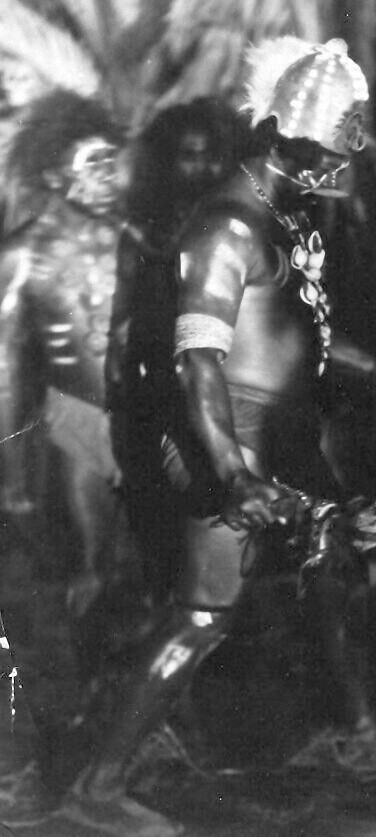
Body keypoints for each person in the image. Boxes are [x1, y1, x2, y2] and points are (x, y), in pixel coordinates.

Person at [55, 37, 376, 837]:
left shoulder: (285, 214)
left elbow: (304, 340)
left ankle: (358, 733)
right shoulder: (225, 224)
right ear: (281, 136)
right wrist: (231, 470)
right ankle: (97, 782)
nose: (339, 167)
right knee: (203, 614)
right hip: (232, 434)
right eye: (326, 152)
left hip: (283, 433)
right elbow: (199, 361)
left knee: (331, 574)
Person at [0, 91, 133, 697]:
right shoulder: (21, 256)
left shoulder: (133, 239)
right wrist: (13, 483)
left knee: (143, 572)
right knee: (88, 572)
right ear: (55, 176)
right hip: (73, 423)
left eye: (112, 160)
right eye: (93, 163)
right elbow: (5, 371)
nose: (109, 175)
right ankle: (85, 707)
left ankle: (132, 707)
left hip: (142, 421)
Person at [107, 97, 253, 608]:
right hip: (164, 396)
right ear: (168, 161)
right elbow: (126, 329)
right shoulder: (146, 235)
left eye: (214, 155)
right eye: (190, 155)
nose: (205, 168)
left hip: (222, 398)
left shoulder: (238, 226)